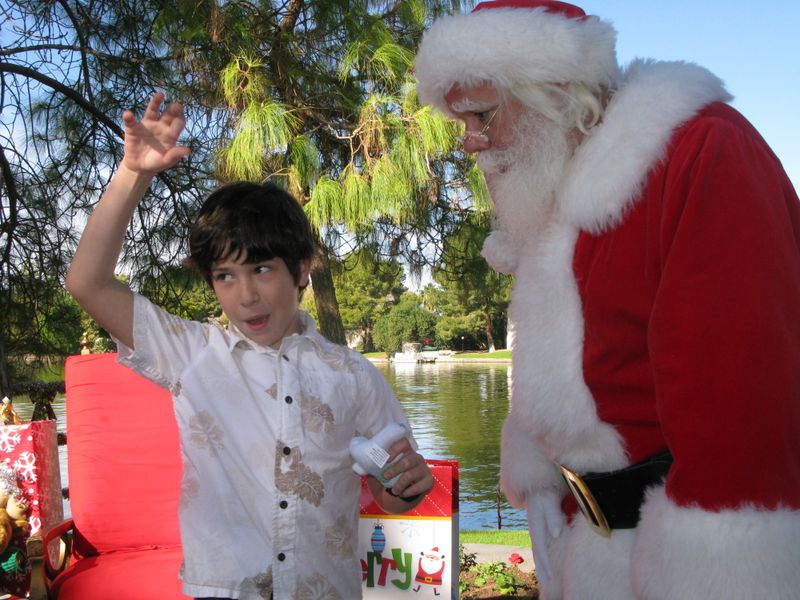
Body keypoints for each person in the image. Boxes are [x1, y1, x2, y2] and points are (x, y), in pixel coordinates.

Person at [414, 1, 800, 598]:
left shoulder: (701, 153)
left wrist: (720, 572)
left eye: (482, 116)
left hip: (684, 562)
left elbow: (741, 403)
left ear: (555, 92)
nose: (470, 143)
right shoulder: (557, 181)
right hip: (591, 550)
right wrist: (546, 486)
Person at [65, 92, 434, 600]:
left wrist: (404, 484)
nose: (247, 295)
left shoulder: (354, 375)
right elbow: (87, 282)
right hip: (225, 590)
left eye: (262, 269)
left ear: (302, 267)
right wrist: (134, 174)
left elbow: (391, 499)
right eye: (225, 275)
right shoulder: (189, 354)